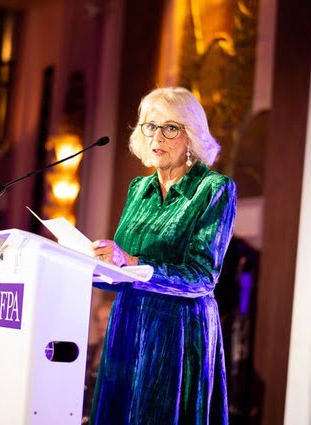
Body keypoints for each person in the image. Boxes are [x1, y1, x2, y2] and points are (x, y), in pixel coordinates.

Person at [89, 86, 237, 424]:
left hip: (178, 332)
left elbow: (202, 277)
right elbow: (123, 268)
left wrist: (134, 264)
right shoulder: (138, 190)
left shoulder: (213, 189)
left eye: (171, 127)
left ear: (191, 136)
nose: (158, 136)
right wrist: (97, 265)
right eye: (150, 126)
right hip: (129, 323)